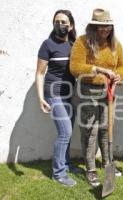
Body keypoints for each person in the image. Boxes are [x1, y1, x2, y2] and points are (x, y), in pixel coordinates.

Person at [70, 8, 123, 187]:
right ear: (93, 26)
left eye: (108, 26)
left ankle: (108, 162)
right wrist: (98, 70)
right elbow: (75, 67)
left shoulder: (115, 44)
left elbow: (122, 66)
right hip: (88, 91)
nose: (105, 30)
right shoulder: (82, 41)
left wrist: (119, 76)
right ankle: (91, 169)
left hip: (109, 92)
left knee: (106, 128)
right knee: (90, 130)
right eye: (101, 26)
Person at [35, 10, 77, 187]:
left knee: (68, 132)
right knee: (65, 132)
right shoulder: (48, 44)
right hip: (54, 94)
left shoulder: (75, 45)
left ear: (71, 25)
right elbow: (39, 73)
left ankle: (66, 164)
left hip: (70, 94)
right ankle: (58, 173)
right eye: (57, 21)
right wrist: (40, 98)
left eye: (63, 21)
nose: (60, 24)